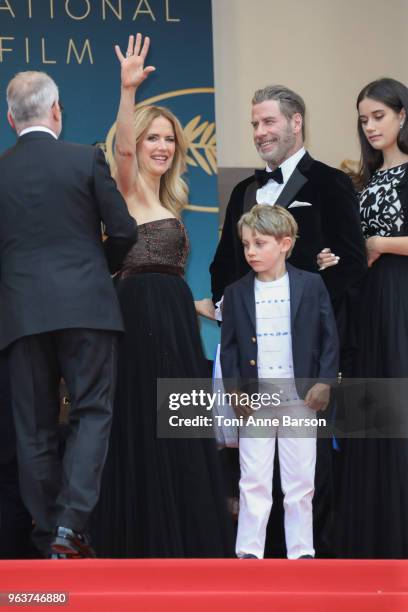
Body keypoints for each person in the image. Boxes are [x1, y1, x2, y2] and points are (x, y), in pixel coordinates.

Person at [91, 34, 233, 558]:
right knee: (145, 424)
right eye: (153, 137)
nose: (161, 146)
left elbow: (168, 269)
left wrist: (202, 304)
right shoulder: (124, 186)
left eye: (169, 139)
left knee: (180, 425)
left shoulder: (171, 197)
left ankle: (187, 542)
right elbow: (123, 147)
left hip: (175, 315)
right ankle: (141, 541)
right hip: (136, 315)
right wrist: (128, 91)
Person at [210, 84, 366, 557]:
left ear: (296, 122)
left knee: (307, 471)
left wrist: (311, 306)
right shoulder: (243, 190)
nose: (260, 132)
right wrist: (234, 311)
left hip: (310, 355)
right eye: (255, 124)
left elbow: (353, 263)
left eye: (268, 122)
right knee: (252, 468)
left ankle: (303, 559)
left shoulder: (332, 183)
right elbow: (222, 266)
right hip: (254, 356)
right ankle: (252, 556)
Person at [0, 71, 137, 558]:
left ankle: (47, 534)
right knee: (92, 412)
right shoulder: (85, 158)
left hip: (19, 315)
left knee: (32, 427)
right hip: (87, 309)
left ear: (11, 118)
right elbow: (123, 230)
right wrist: (97, 273)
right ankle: (70, 527)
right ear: (56, 110)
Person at [318, 77, 408, 558]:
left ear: (402, 116)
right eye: (363, 118)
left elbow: (380, 241)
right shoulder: (363, 180)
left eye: (378, 116)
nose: (370, 126)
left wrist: (378, 244)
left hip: (398, 297)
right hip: (365, 303)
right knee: (369, 412)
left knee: (397, 406)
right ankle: (371, 533)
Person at [221, 204, 339, 559]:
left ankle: (302, 552)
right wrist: (235, 393)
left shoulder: (311, 284)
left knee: (300, 482)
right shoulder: (238, 291)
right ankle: (249, 552)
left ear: (285, 243)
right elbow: (228, 349)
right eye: (246, 245)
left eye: (259, 243)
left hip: (300, 400)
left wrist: (324, 382)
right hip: (255, 403)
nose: (251, 252)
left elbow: (329, 337)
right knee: (253, 479)